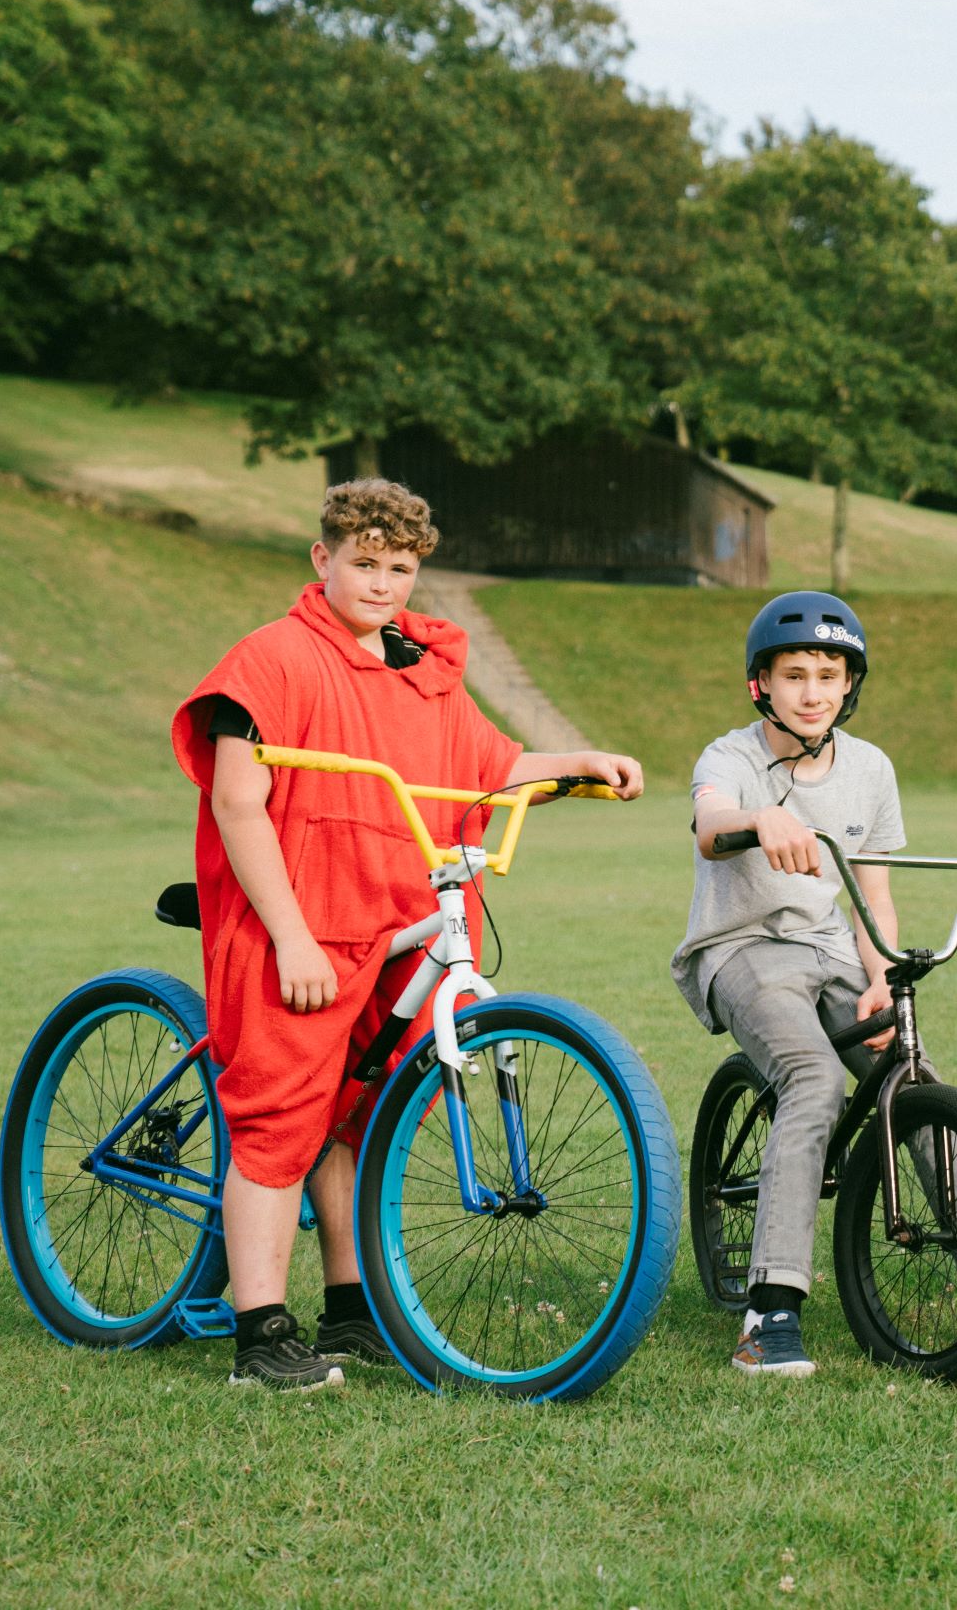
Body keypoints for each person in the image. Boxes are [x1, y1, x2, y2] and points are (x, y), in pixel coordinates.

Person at [173, 480, 644, 1391]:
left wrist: (578, 760)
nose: (382, 585)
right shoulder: (271, 659)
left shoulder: (420, 672)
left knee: (354, 1116)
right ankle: (261, 1335)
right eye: (364, 564)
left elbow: (493, 764)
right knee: (278, 1123)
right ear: (323, 560)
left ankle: (349, 1310)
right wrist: (293, 938)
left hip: (390, 923)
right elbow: (237, 801)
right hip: (297, 926)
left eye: (400, 569)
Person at [677, 590, 957, 1376]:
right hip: (742, 949)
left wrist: (880, 973)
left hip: (834, 948)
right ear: (761, 684)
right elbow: (713, 827)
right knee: (812, 1078)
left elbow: (871, 890)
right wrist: (762, 821)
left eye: (828, 674)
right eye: (794, 675)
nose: (813, 691)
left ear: (850, 683)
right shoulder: (730, 758)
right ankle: (768, 1310)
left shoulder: (870, 768)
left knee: (913, 1078)